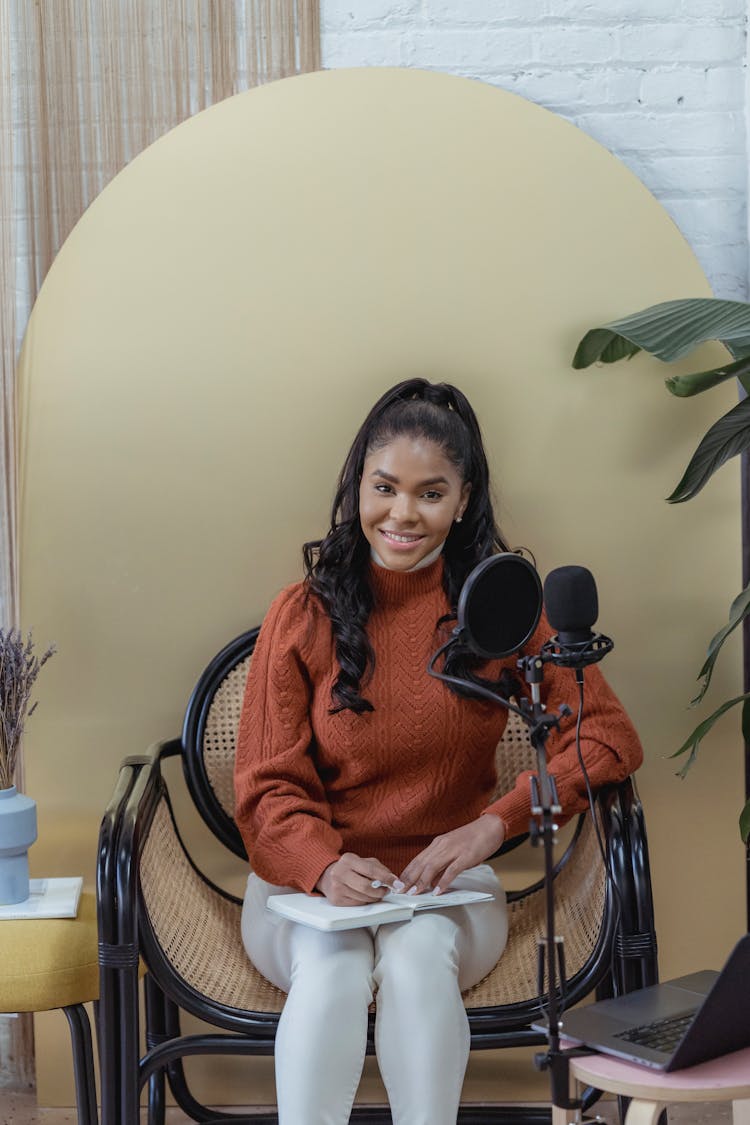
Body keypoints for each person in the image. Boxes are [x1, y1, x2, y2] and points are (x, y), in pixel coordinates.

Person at [234, 377, 643, 1125]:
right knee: (332, 972)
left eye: (430, 493)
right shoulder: (303, 614)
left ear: (462, 499)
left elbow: (607, 736)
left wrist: (495, 822)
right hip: (302, 899)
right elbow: (265, 791)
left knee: (418, 962)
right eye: (385, 486)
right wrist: (324, 865)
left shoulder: (502, 609)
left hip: (445, 894)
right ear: (359, 483)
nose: (402, 513)